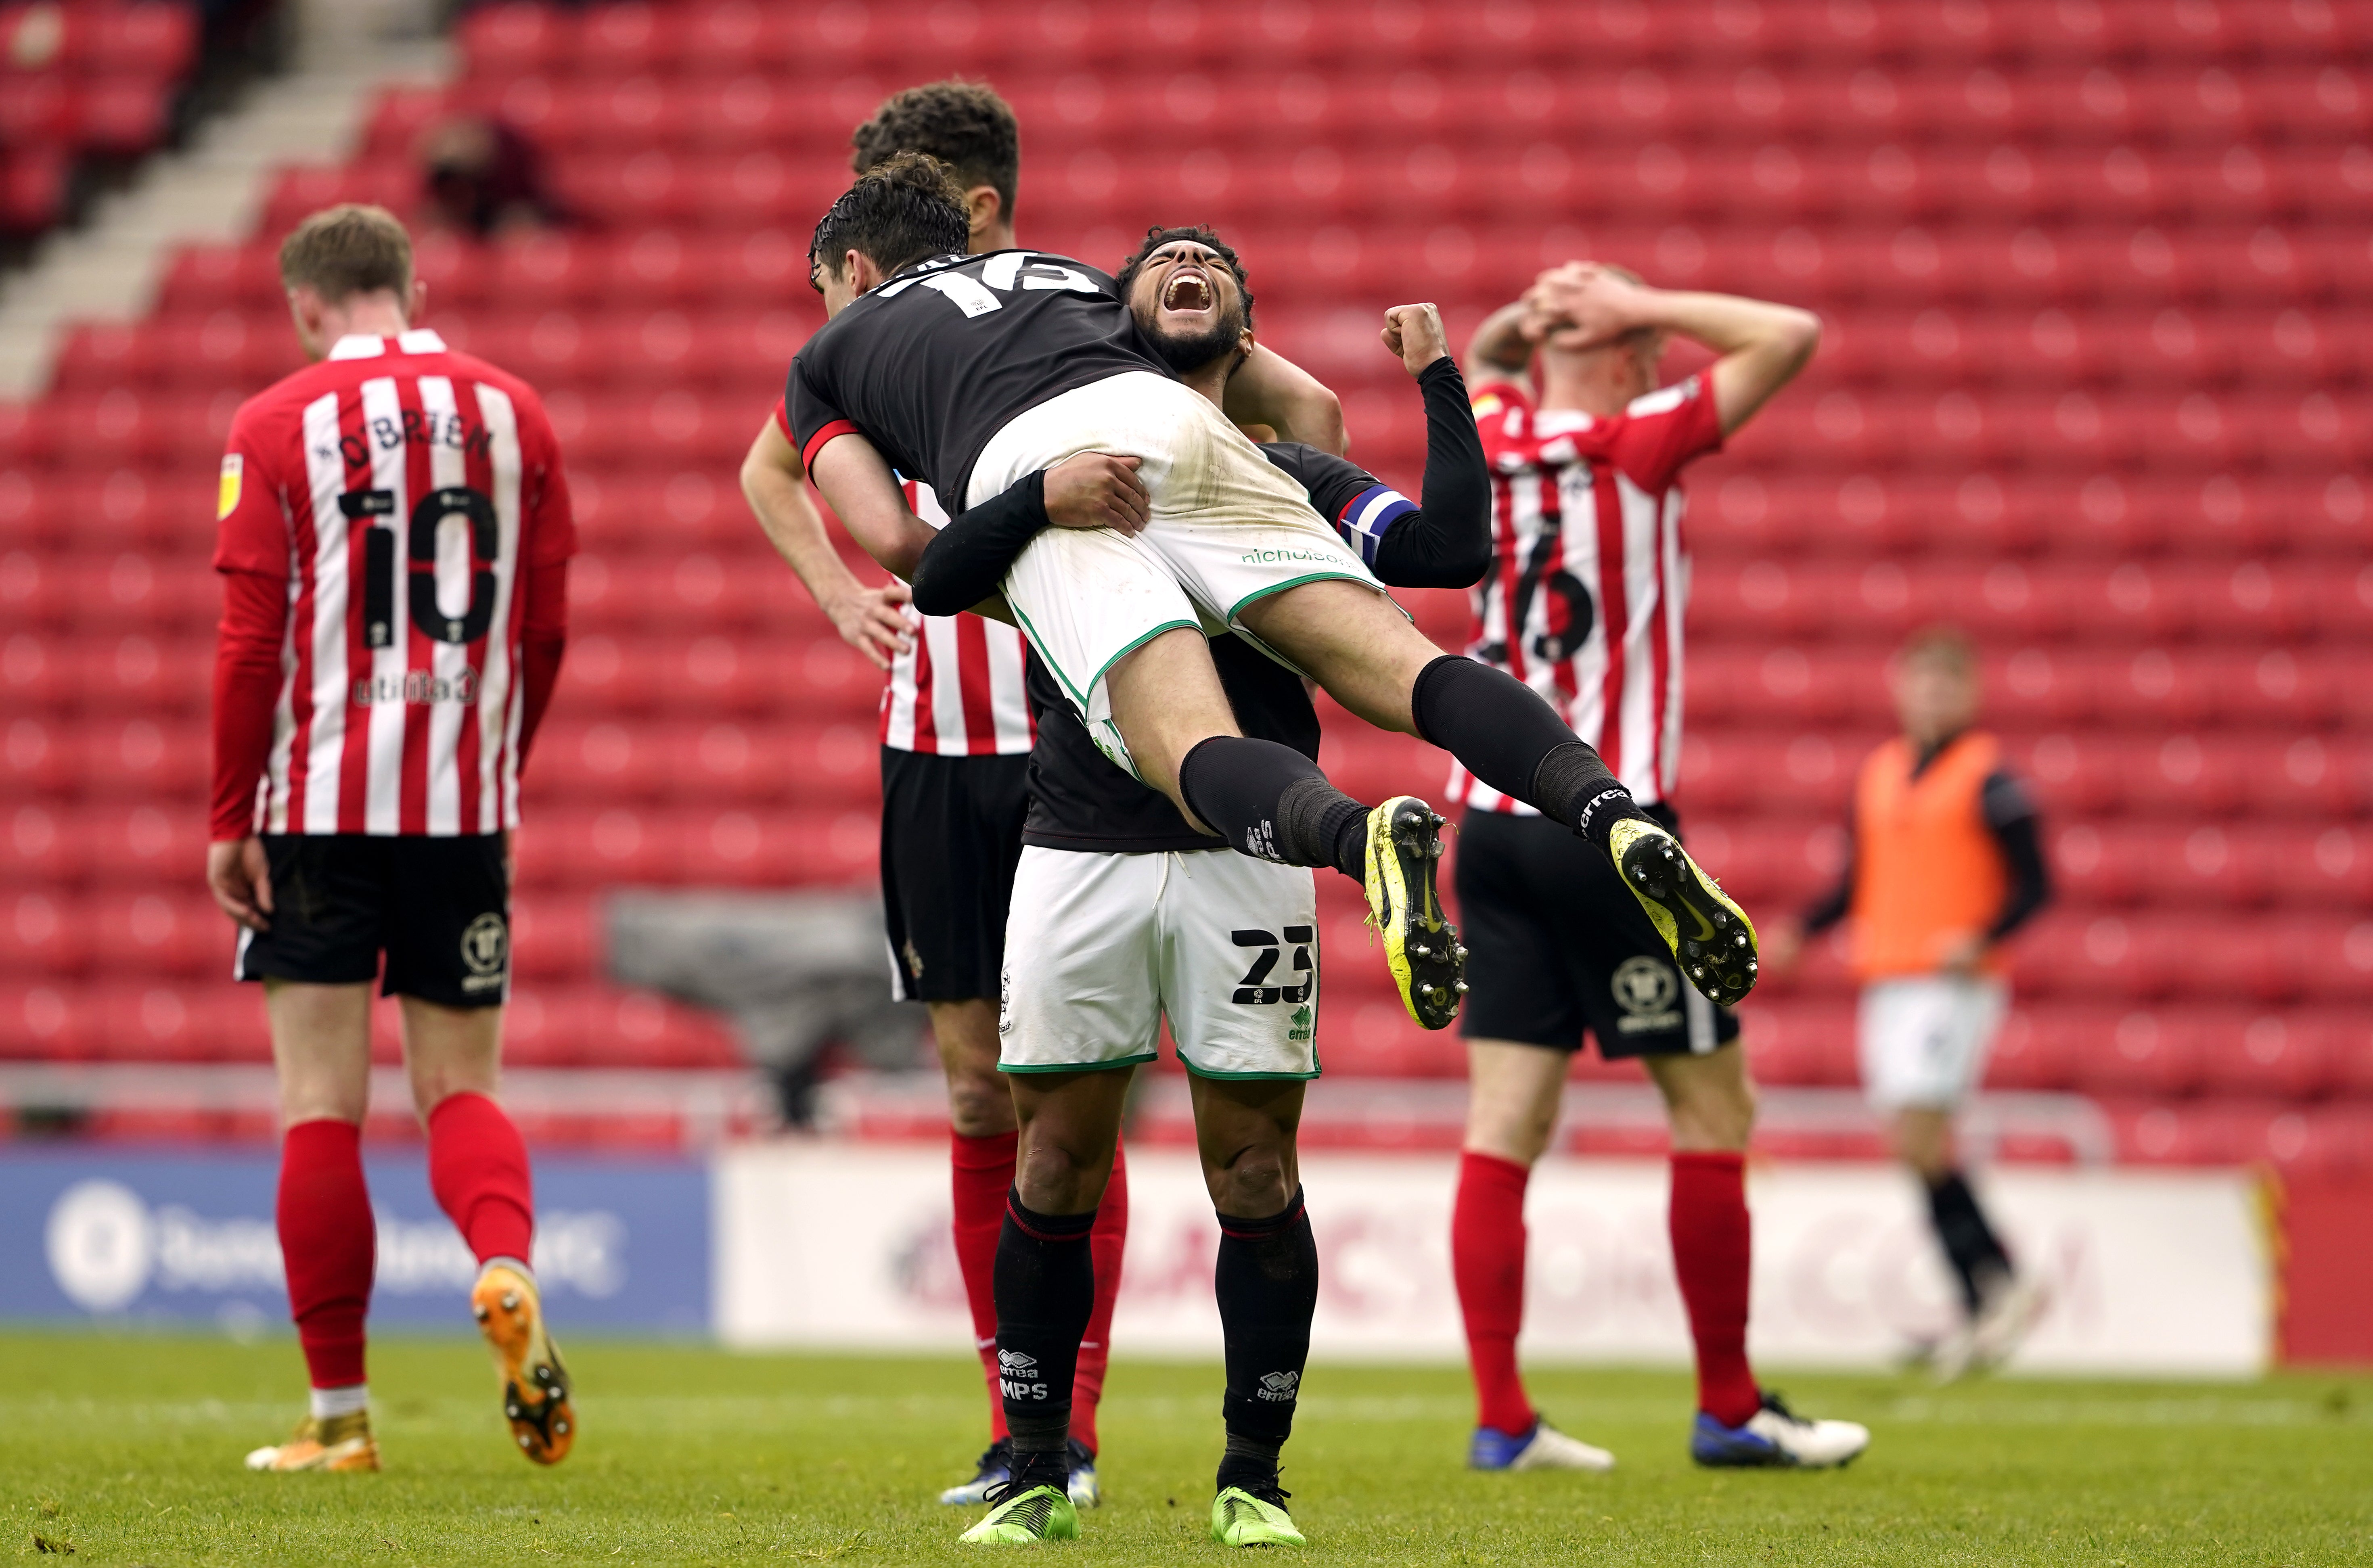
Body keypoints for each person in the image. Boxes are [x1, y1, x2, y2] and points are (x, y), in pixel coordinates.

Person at [739, 83, 1355, 1508]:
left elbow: (1297, 404)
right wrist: (843, 593)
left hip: (1077, 723)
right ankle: (1012, 1429)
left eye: (902, 200)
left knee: (1082, 1094)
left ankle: (1069, 1434)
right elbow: (773, 464)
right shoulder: (864, 346)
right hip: (936, 735)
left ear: (979, 208)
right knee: (981, 1089)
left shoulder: (1086, 310)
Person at [788, 160, 1758, 1065]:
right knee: (1406, 669)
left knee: (1181, 738)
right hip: (1180, 429)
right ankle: (1609, 812)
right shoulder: (1065, 276)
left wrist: (1027, 524)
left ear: (854, 268)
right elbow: (1308, 402)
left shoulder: (829, 353)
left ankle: (1361, 838)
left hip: (1049, 497)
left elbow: (906, 548)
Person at [903, 226, 1490, 1546]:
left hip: (1250, 857)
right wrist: (1043, 490)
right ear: (1115, 324)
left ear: (1246, 322)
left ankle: (1254, 1477)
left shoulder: (1290, 472)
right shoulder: (1052, 473)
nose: (1186, 268)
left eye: (1211, 264)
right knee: (1052, 1154)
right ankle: (1038, 1471)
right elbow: (936, 574)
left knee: (1252, 1166)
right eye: (1160, 261)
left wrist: (1439, 377)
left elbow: (1449, 547)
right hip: (1078, 845)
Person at [1443, 262, 1869, 1471]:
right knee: (1712, 1104)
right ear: (1628, 359)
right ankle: (1730, 1403)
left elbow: (1483, 348)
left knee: (1505, 1121)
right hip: (1614, 825)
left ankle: (1502, 1416)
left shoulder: (1494, 427)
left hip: (1490, 820)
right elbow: (1792, 328)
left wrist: (1535, 317)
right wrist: (1642, 300)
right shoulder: (1636, 440)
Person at [206, 205, 576, 1472]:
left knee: (320, 1104)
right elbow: (543, 629)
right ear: (413, 286)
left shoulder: (271, 425)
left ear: (307, 306)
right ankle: (505, 1262)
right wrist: (500, 780)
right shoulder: (514, 414)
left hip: (315, 806)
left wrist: (227, 816)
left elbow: (250, 645)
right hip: (459, 805)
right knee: (460, 1088)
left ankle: (340, 1420)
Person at [1766, 626, 2053, 1381]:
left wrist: (1982, 934)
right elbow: (1862, 879)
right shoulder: (1882, 772)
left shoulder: (1992, 779)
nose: (1932, 696)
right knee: (1912, 1141)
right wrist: (1805, 929)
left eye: (1946, 684)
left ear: (1971, 692)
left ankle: (1998, 1285)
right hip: (1887, 972)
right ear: (1900, 688)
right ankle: (1982, 1301)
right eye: (1921, 682)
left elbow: (2037, 885)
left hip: (1951, 980)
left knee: (1923, 1134)